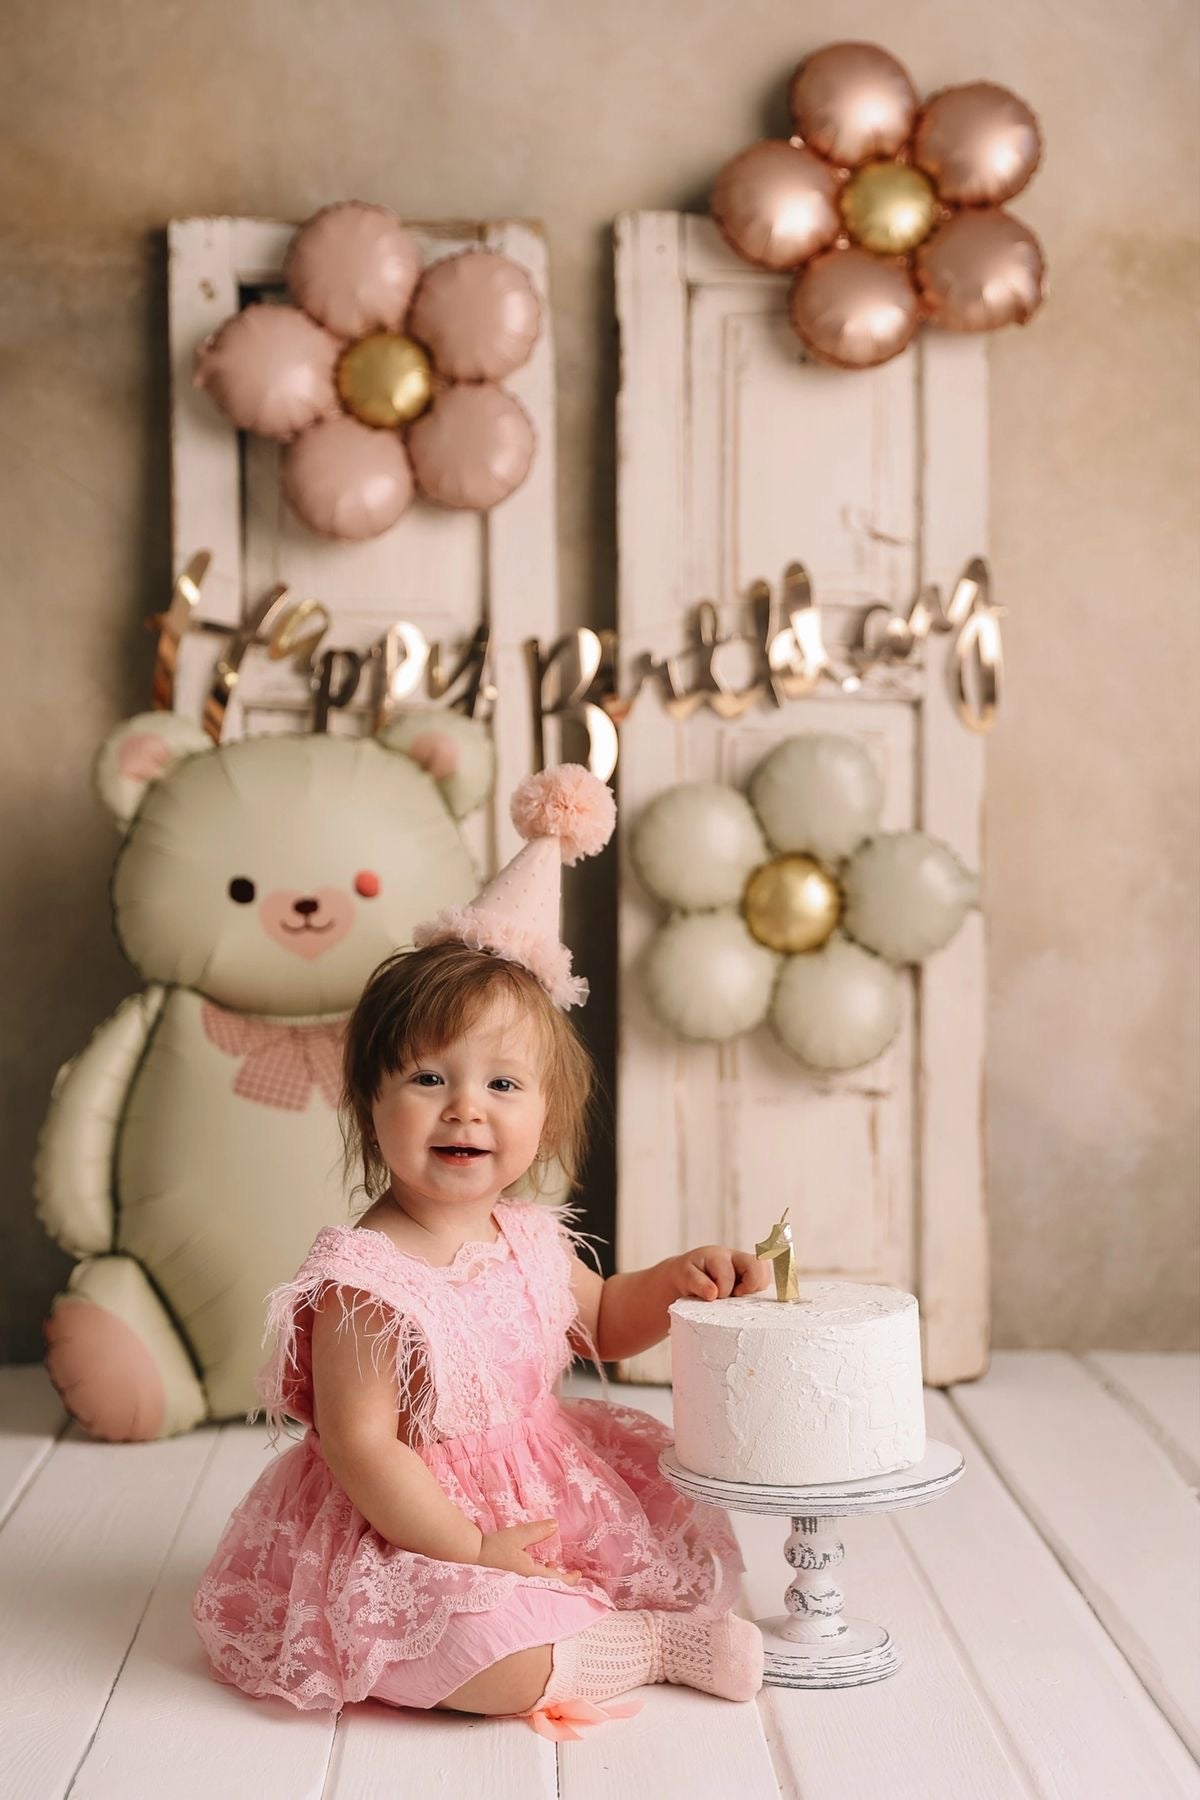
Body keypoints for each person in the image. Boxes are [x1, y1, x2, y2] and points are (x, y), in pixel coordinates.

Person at [193, 764, 769, 1734]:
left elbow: (606, 1321)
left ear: (547, 1116)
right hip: (409, 1525)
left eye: (504, 1085)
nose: (466, 1106)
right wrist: (468, 1546)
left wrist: (678, 1281)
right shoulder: (368, 1286)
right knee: (471, 1653)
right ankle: (633, 1648)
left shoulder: (530, 1238)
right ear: (370, 1101)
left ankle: (621, 1626)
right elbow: (363, 1447)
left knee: (666, 1541)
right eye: (428, 1076)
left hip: (541, 1487)